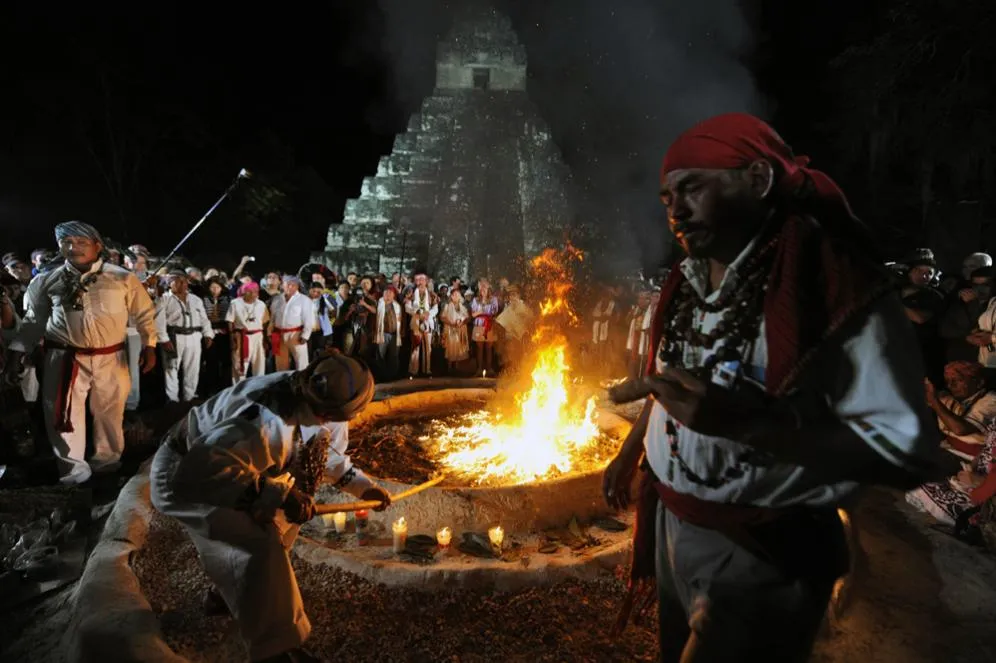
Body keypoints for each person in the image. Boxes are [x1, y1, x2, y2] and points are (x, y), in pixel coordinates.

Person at [602, 113, 939, 662]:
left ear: (758, 179)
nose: (675, 211)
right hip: (672, 524)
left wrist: (748, 425)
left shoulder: (833, 286)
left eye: (693, 188)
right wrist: (630, 451)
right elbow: (669, 387)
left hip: (764, 550)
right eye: (666, 198)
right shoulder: (683, 284)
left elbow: (906, 450)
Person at [149, 351, 390, 662]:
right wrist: (279, 496)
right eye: (331, 416)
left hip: (238, 467)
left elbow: (327, 455)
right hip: (186, 476)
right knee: (260, 543)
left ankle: (229, 596)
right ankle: (274, 649)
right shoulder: (266, 422)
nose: (341, 422)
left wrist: (363, 487)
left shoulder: (318, 398)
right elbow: (202, 470)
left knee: (282, 527)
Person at [9, 221, 157, 484]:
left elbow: (144, 313)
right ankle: (74, 474)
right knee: (63, 415)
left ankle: (107, 464)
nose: (73, 247)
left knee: (110, 412)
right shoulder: (46, 280)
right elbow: (33, 321)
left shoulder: (122, 278)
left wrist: (150, 345)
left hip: (112, 358)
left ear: (97, 246)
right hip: (63, 358)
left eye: (81, 242)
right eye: (66, 242)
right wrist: (17, 351)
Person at [157, 271, 215, 403]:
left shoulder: (195, 299)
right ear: (170, 283)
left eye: (184, 281)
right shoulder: (164, 299)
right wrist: (164, 339)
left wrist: (208, 334)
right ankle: (172, 400)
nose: (182, 284)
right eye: (178, 281)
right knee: (171, 368)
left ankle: (189, 396)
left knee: (193, 368)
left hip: (194, 336)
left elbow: (204, 319)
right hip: (174, 337)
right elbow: (158, 321)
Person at [927, 360, 996, 459]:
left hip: (973, 459)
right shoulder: (951, 399)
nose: (950, 385)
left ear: (979, 382)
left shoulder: (991, 401)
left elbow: (960, 429)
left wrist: (934, 400)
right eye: (948, 381)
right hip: (950, 451)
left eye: (958, 380)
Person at [269, 275, 315, 372]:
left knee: (301, 362)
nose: (290, 287)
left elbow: (309, 319)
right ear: (283, 285)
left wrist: (305, 335)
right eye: (288, 284)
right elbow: (272, 318)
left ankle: (302, 380)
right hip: (278, 334)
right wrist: (269, 332)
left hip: (296, 334)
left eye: (293, 285)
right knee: (280, 362)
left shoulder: (304, 300)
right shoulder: (277, 299)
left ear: (297, 286)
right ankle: (282, 380)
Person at [227, 281, 269, 384]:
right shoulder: (235, 303)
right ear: (243, 292)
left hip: (258, 337)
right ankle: (238, 389)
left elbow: (265, 323)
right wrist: (232, 338)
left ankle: (258, 388)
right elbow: (230, 321)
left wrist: (265, 340)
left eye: (255, 291)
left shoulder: (261, 304)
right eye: (249, 291)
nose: (253, 293)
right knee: (240, 365)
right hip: (241, 337)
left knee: (259, 364)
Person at [405, 271, 438, 377]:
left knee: (428, 347)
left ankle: (427, 370)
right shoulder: (411, 294)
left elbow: (435, 308)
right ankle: (413, 371)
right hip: (416, 322)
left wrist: (428, 314)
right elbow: (407, 307)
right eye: (418, 280)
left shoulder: (432, 294)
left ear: (426, 281)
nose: (420, 282)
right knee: (415, 346)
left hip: (428, 322)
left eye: (422, 279)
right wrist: (417, 312)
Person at [470, 279, 500, 376]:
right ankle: (479, 369)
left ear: (488, 288)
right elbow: (473, 314)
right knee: (479, 348)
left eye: (485, 287)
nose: (483, 289)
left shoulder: (493, 299)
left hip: (489, 324)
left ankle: (489, 369)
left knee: (489, 347)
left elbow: (495, 312)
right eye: (481, 287)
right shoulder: (475, 300)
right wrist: (481, 311)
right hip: (479, 324)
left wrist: (487, 312)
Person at [374, 286, 403, 380]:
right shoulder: (379, 304)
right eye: (386, 292)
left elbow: (401, 319)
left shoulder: (397, 306)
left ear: (394, 295)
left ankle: (393, 376)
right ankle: (381, 376)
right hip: (382, 334)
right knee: (380, 355)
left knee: (394, 356)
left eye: (390, 293)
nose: (388, 295)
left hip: (395, 334)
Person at [440, 287, 470, 372]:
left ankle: (457, 367)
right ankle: (449, 368)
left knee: (458, 347)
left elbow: (468, 318)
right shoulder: (447, 306)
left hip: (460, 329)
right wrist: (452, 324)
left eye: (458, 295)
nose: (457, 296)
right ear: (451, 296)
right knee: (451, 347)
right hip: (450, 329)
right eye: (455, 295)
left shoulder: (462, 307)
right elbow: (442, 317)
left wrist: (462, 322)